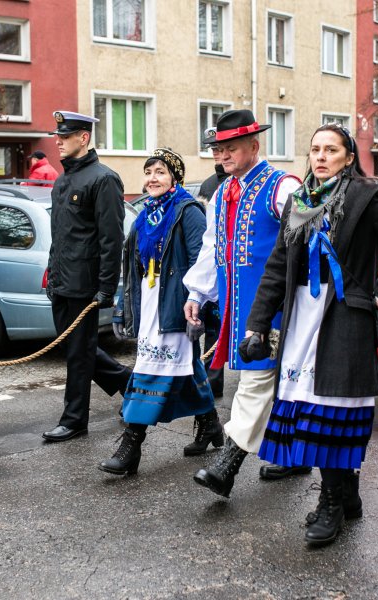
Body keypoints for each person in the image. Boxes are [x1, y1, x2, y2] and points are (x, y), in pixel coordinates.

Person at [243, 124, 378, 546]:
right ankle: (348, 494)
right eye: (315, 149)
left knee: (331, 412)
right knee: (309, 411)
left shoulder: (364, 196)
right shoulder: (299, 201)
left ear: (347, 155)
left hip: (342, 317)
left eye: (331, 150)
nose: (321, 157)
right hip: (301, 318)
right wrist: (257, 323)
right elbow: (277, 267)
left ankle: (333, 502)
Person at [183, 109, 305, 497]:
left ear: (254, 145)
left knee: (257, 381)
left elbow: (314, 239)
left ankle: (228, 464)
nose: (222, 156)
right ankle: (293, 454)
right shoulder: (222, 193)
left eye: (230, 148)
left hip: (279, 308)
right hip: (239, 309)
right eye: (218, 150)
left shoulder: (282, 187)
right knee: (280, 383)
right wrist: (197, 293)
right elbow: (211, 247)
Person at [102, 148, 220, 474]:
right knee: (185, 365)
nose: (152, 178)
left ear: (174, 178)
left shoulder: (188, 211)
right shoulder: (144, 215)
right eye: (149, 172)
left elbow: (201, 260)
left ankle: (131, 443)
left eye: (160, 172)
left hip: (178, 305)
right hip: (152, 302)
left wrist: (196, 303)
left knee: (150, 368)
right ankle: (210, 423)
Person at [43, 110, 132, 443]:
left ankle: (74, 419)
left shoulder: (103, 179)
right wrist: (52, 277)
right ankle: (128, 383)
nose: (58, 142)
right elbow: (60, 235)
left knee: (79, 353)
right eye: (57, 136)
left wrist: (106, 288)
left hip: (86, 284)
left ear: (83, 137)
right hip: (63, 282)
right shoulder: (63, 180)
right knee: (76, 348)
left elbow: (112, 239)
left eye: (64, 137)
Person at [194, 127, 227, 401]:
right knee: (213, 329)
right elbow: (207, 235)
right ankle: (211, 382)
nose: (217, 154)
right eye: (214, 149)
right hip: (215, 268)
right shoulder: (208, 185)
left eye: (221, 148)